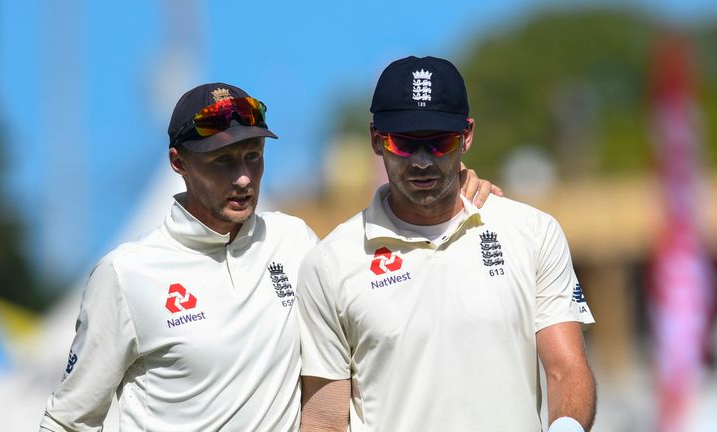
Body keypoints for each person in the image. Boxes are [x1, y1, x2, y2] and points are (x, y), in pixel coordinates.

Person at [39, 82, 500, 431]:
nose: (243, 178)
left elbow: (384, 289)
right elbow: (67, 421)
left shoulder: (293, 240)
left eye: (253, 157)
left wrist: (453, 200)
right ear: (178, 163)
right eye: (222, 161)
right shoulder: (126, 274)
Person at [296, 56, 597, 432]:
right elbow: (325, 421)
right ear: (376, 139)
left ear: (467, 136)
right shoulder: (331, 262)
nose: (422, 162)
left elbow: (566, 369)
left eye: (439, 143)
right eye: (404, 143)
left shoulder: (533, 232)